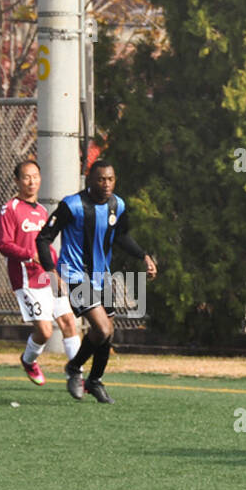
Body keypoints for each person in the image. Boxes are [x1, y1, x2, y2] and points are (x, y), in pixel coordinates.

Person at [36, 160, 156, 404]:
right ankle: (74, 368)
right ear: (90, 179)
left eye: (110, 179)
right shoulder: (72, 205)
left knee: (107, 333)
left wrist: (143, 256)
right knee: (102, 328)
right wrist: (51, 272)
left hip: (102, 276)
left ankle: (95, 380)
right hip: (75, 276)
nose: (106, 184)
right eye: (101, 179)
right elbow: (43, 238)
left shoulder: (117, 205)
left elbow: (120, 236)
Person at [0, 159, 81, 385]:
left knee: (68, 322)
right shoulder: (10, 209)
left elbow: (47, 247)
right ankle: (28, 360)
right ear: (17, 181)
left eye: (35, 176)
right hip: (26, 279)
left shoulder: (43, 211)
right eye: (26, 177)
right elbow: (4, 244)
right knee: (44, 332)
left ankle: (77, 374)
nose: (31, 181)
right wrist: (28, 254)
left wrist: (57, 271)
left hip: (48, 276)